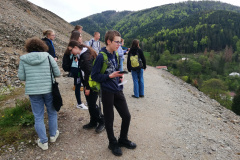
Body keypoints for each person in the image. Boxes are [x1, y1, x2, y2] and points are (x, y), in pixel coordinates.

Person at [91, 30, 136, 156]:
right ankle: (112, 143)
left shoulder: (115, 54)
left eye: (120, 42)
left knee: (126, 116)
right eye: (117, 42)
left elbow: (115, 69)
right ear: (109, 41)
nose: (119, 45)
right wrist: (109, 76)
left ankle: (123, 139)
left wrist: (119, 76)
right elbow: (94, 76)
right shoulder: (101, 56)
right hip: (106, 92)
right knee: (109, 119)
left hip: (117, 89)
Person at [18, 38, 60, 150]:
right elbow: (57, 73)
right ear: (42, 46)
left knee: (38, 116)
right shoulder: (48, 56)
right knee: (52, 113)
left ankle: (43, 142)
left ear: (28, 48)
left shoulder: (23, 59)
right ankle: (53, 136)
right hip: (49, 89)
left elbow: (21, 77)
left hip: (33, 91)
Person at [66, 41, 105, 133]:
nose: (71, 53)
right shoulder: (83, 54)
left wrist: (87, 87)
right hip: (88, 83)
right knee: (90, 103)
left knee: (92, 104)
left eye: (71, 50)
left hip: (91, 85)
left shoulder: (86, 57)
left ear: (75, 47)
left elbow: (89, 73)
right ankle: (93, 121)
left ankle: (102, 121)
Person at [64, 34, 88, 110]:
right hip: (76, 69)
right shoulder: (72, 48)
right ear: (76, 38)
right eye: (80, 36)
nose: (81, 38)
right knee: (78, 85)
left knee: (83, 84)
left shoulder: (77, 46)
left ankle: (87, 101)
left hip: (79, 68)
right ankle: (79, 103)